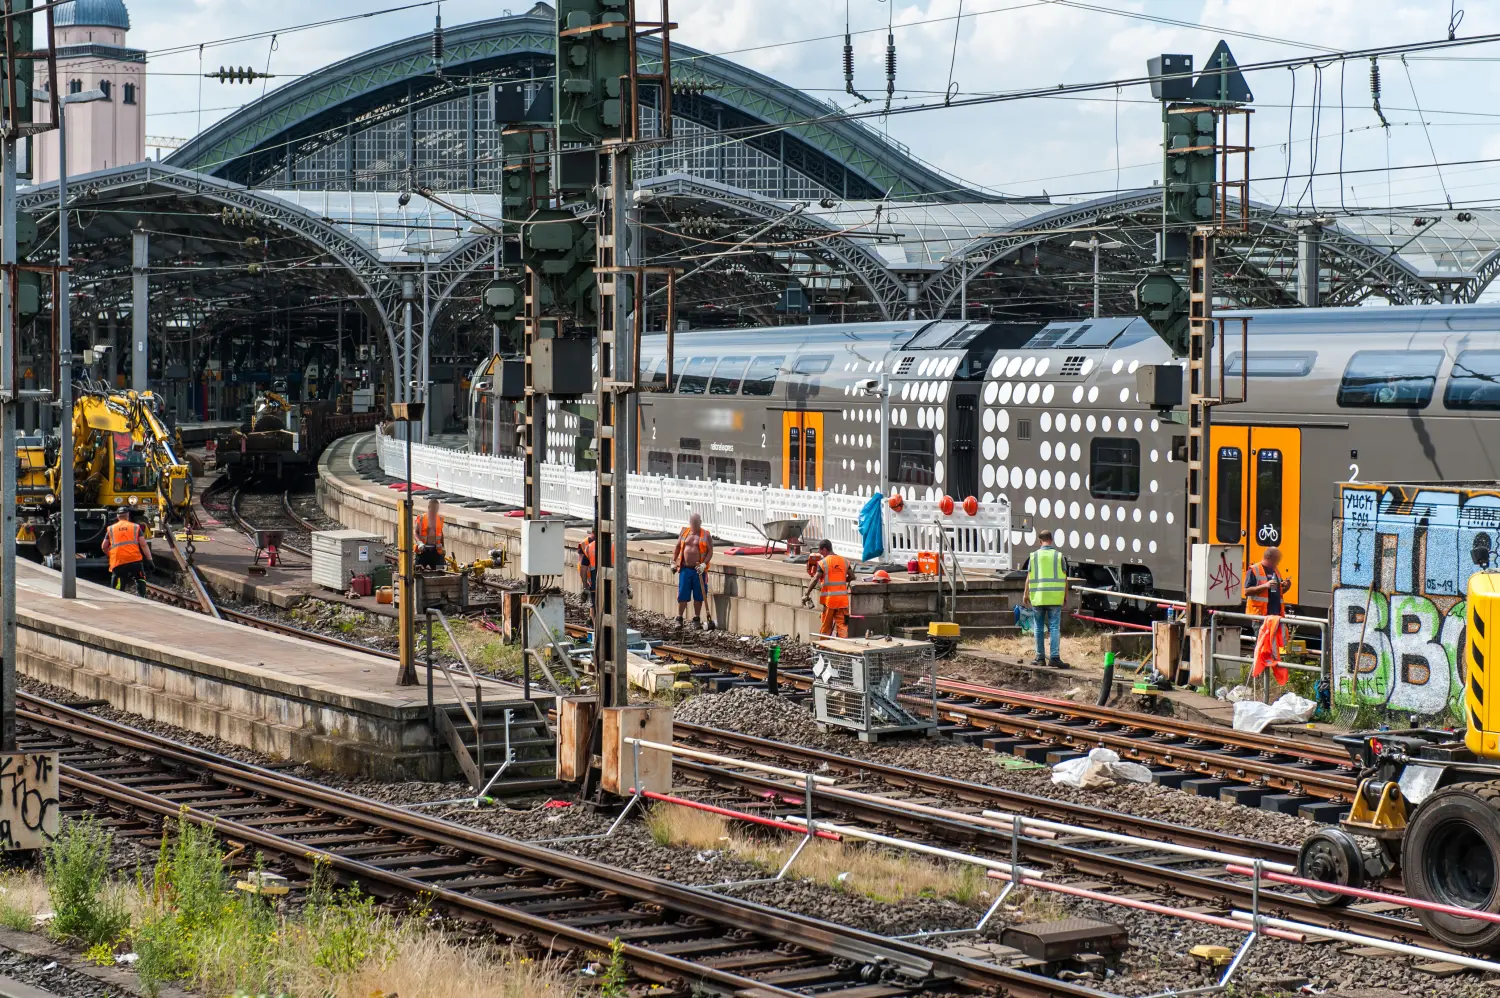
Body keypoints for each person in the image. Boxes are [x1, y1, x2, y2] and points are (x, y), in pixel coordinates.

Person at [1024, 530, 1068, 667]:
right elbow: (1065, 578)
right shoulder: (1059, 556)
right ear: (1052, 540)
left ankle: (1040, 658)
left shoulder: (1034, 556)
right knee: (1054, 627)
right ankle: (1054, 657)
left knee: (1038, 627)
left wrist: (1025, 593)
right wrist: (1066, 596)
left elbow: (1029, 577)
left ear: (1039, 541)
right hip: (1055, 597)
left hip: (1038, 597)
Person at [671, 512, 713, 629]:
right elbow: (678, 547)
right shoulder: (684, 532)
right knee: (683, 595)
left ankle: (696, 618)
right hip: (685, 569)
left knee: (699, 595)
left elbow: (710, 551)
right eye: (692, 522)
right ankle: (679, 618)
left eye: (696, 522)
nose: (694, 524)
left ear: (700, 523)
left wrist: (704, 564)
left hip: (699, 570)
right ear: (690, 522)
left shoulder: (705, 535)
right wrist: (673, 562)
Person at [803, 538, 850, 638]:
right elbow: (852, 576)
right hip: (842, 601)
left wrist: (806, 593)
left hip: (830, 601)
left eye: (820, 550)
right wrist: (843, 579)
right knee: (842, 626)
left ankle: (823, 648)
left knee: (826, 627)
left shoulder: (823, 562)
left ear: (824, 549)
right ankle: (844, 648)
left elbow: (815, 579)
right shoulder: (844, 561)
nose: (820, 553)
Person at [101, 507, 152, 596]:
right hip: (134, 559)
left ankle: (117, 596)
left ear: (117, 516)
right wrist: (150, 560)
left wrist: (111, 554)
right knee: (140, 577)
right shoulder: (135, 527)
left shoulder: (111, 529)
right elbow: (143, 545)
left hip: (118, 560)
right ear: (128, 515)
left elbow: (104, 546)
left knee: (118, 578)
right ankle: (142, 596)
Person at [1244, 547, 1290, 617]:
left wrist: (1286, 587)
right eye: (1276, 560)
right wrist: (1265, 586)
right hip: (1260, 616)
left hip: (1275, 616)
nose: (1278, 563)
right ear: (1268, 558)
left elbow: (1276, 593)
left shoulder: (1275, 571)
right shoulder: (1254, 569)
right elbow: (1246, 591)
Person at [415, 497, 445, 570]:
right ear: (429, 507)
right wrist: (419, 543)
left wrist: (443, 547)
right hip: (423, 550)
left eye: (437, 509)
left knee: (440, 571)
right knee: (418, 572)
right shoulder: (421, 518)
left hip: (436, 550)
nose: (435, 511)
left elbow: (441, 533)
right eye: (434, 509)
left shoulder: (440, 519)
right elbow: (415, 532)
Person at [578, 529, 596, 607]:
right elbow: (582, 564)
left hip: (591, 575)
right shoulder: (584, 544)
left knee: (594, 600)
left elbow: (582, 565)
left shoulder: (587, 545)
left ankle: (593, 617)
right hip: (590, 575)